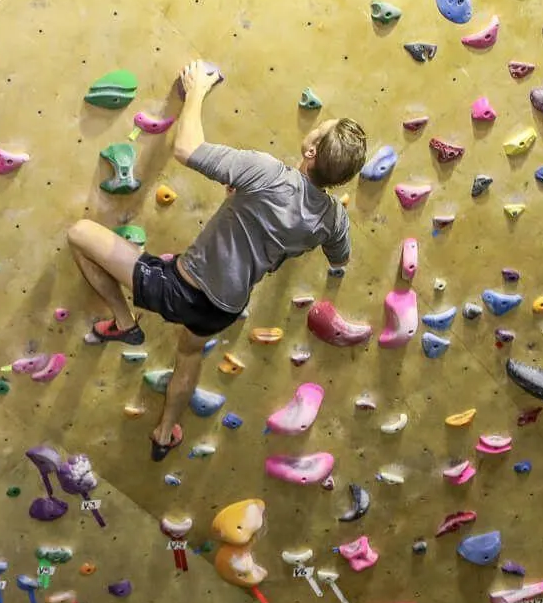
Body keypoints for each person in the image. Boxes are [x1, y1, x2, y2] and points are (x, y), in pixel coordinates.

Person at [67, 59, 366, 460]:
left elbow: (187, 150)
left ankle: (124, 321)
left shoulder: (269, 174)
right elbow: (339, 257)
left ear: (311, 150)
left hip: (179, 289)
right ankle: (164, 433)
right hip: (224, 308)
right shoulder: (333, 219)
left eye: (320, 128)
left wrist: (196, 90)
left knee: (79, 233)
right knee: (189, 353)